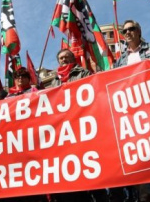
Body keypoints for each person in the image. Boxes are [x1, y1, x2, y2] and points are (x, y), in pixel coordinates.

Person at [112, 20, 150, 202]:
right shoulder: (121, 60)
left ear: (139, 30)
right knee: (141, 153)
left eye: (131, 29)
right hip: (132, 111)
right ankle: (145, 193)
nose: (128, 32)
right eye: (125, 30)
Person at [49, 49, 106, 202]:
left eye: (67, 57)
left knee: (90, 166)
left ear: (73, 59)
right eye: (61, 58)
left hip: (82, 126)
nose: (64, 60)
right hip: (64, 131)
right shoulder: (54, 81)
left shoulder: (83, 73)